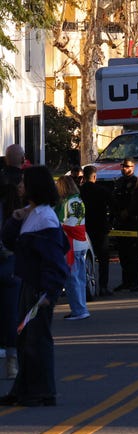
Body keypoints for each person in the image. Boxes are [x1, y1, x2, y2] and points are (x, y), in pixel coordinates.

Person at [0, 166, 69, 406]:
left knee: (37, 338)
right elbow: (9, 239)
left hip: (39, 289)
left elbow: (55, 260)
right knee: (25, 336)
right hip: (28, 284)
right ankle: (24, 389)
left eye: (23, 183)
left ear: (34, 187)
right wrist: (16, 217)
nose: (19, 186)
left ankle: (42, 391)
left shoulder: (45, 218)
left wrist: (50, 291)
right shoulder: (33, 214)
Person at [55, 176, 90, 320]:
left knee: (72, 279)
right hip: (81, 241)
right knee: (80, 278)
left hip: (71, 244)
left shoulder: (66, 202)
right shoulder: (79, 200)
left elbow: (61, 222)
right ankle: (81, 307)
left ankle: (78, 310)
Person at [0, 173, 22, 379]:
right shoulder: (19, 211)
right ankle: (12, 360)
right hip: (12, 265)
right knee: (11, 314)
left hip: (8, 262)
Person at [80, 165, 113, 297]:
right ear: (94, 176)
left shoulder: (80, 191)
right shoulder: (102, 191)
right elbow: (113, 205)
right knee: (103, 258)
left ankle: (85, 285)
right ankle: (103, 286)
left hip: (85, 227)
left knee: (85, 258)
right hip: (100, 227)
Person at [111, 158, 138, 292]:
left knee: (133, 255)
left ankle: (136, 282)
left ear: (133, 167)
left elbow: (137, 202)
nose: (125, 168)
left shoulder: (136, 182)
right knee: (123, 254)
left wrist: (128, 212)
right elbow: (115, 200)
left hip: (132, 223)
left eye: (127, 166)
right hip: (120, 222)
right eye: (123, 166)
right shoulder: (119, 182)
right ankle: (126, 281)